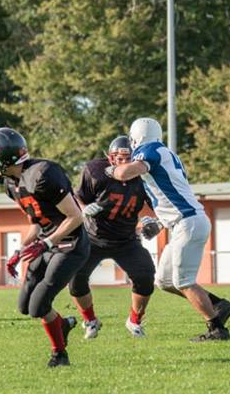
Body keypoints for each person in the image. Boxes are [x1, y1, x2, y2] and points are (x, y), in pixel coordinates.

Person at [106, 117, 230, 342]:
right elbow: (169, 196)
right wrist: (160, 223)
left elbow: (125, 173)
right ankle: (218, 304)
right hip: (184, 222)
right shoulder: (164, 152)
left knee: (183, 281)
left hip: (188, 221)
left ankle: (217, 329)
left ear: (137, 138)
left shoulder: (150, 151)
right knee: (165, 281)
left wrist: (109, 170)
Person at [0, 127, 89, 368]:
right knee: (24, 306)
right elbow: (37, 222)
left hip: (70, 245)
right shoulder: (11, 184)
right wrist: (20, 249)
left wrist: (46, 243)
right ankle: (62, 324)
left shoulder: (43, 175)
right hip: (46, 244)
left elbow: (76, 216)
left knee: (38, 306)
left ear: (3, 159)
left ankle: (59, 354)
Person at [70, 136, 159, 339]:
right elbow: (77, 198)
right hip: (93, 237)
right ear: (111, 158)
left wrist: (154, 223)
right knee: (75, 278)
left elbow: (155, 206)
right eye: (120, 158)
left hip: (126, 240)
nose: (125, 163)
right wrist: (84, 209)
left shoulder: (144, 176)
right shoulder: (95, 171)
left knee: (145, 276)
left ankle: (134, 321)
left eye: (129, 159)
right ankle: (90, 320)